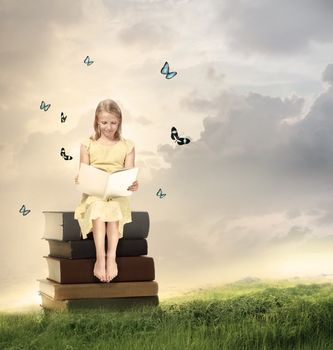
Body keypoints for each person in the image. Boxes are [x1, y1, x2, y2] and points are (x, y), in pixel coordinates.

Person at [74, 99, 139, 283]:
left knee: (114, 208)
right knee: (97, 207)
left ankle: (112, 258)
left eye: (113, 123)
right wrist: (80, 178)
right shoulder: (87, 144)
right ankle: (100, 258)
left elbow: (129, 173)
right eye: (104, 123)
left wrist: (134, 184)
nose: (109, 127)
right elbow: (84, 172)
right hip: (95, 193)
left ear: (119, 122)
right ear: (97, 121)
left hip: (117, 194)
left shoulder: (128, 146)